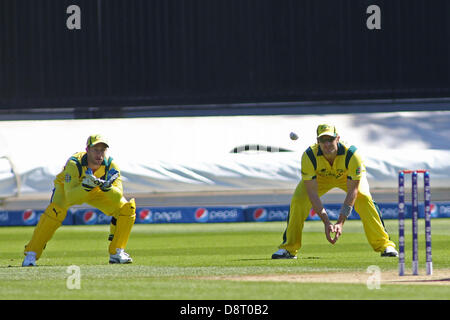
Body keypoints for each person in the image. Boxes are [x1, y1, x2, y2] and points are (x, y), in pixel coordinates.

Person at [272, 124, 398, 259]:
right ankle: (289, 248)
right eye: (323, 140)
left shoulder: (352, 155)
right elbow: (312, 194)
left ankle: (385, 246)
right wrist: (326, 222)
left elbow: (353, 191)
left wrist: (340, 222)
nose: (327, 144)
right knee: (299, 200)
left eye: (330, 139)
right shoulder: (309, 156)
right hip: (320, 178)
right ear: (317, 142)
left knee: (364, 198)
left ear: (337, 138)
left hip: (346, 177)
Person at [22, 134, 136, 266]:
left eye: (102, 150)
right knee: (55, 212)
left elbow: (117, 196)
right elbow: (71, 197)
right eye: (96, 150)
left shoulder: (111, 165)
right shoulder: (74, 163)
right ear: (87, 150)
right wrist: (86, 185)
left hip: (97, 190)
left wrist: (106, 186)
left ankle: (117, 252)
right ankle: (32, 254)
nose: (99, 155)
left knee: (127, 209)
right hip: (68, 188)